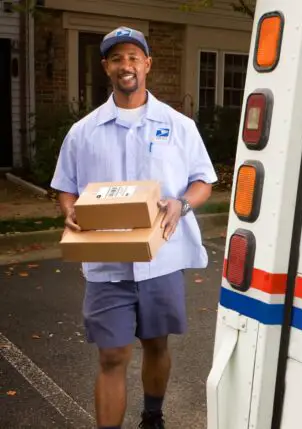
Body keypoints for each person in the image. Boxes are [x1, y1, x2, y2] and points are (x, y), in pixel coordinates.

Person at [50, 26, 218, 429]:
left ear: (147, 64)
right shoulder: (83, 132)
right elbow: (65, 187)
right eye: (116, 58)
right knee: (112, 355)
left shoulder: (178, 125)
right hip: (107, 264)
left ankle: (152, 417)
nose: (126, 65)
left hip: (161, 259)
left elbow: (203, 181)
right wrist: (70, 211)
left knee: (157, 344)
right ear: (106, 67)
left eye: (133, 57)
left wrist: (182, 203)